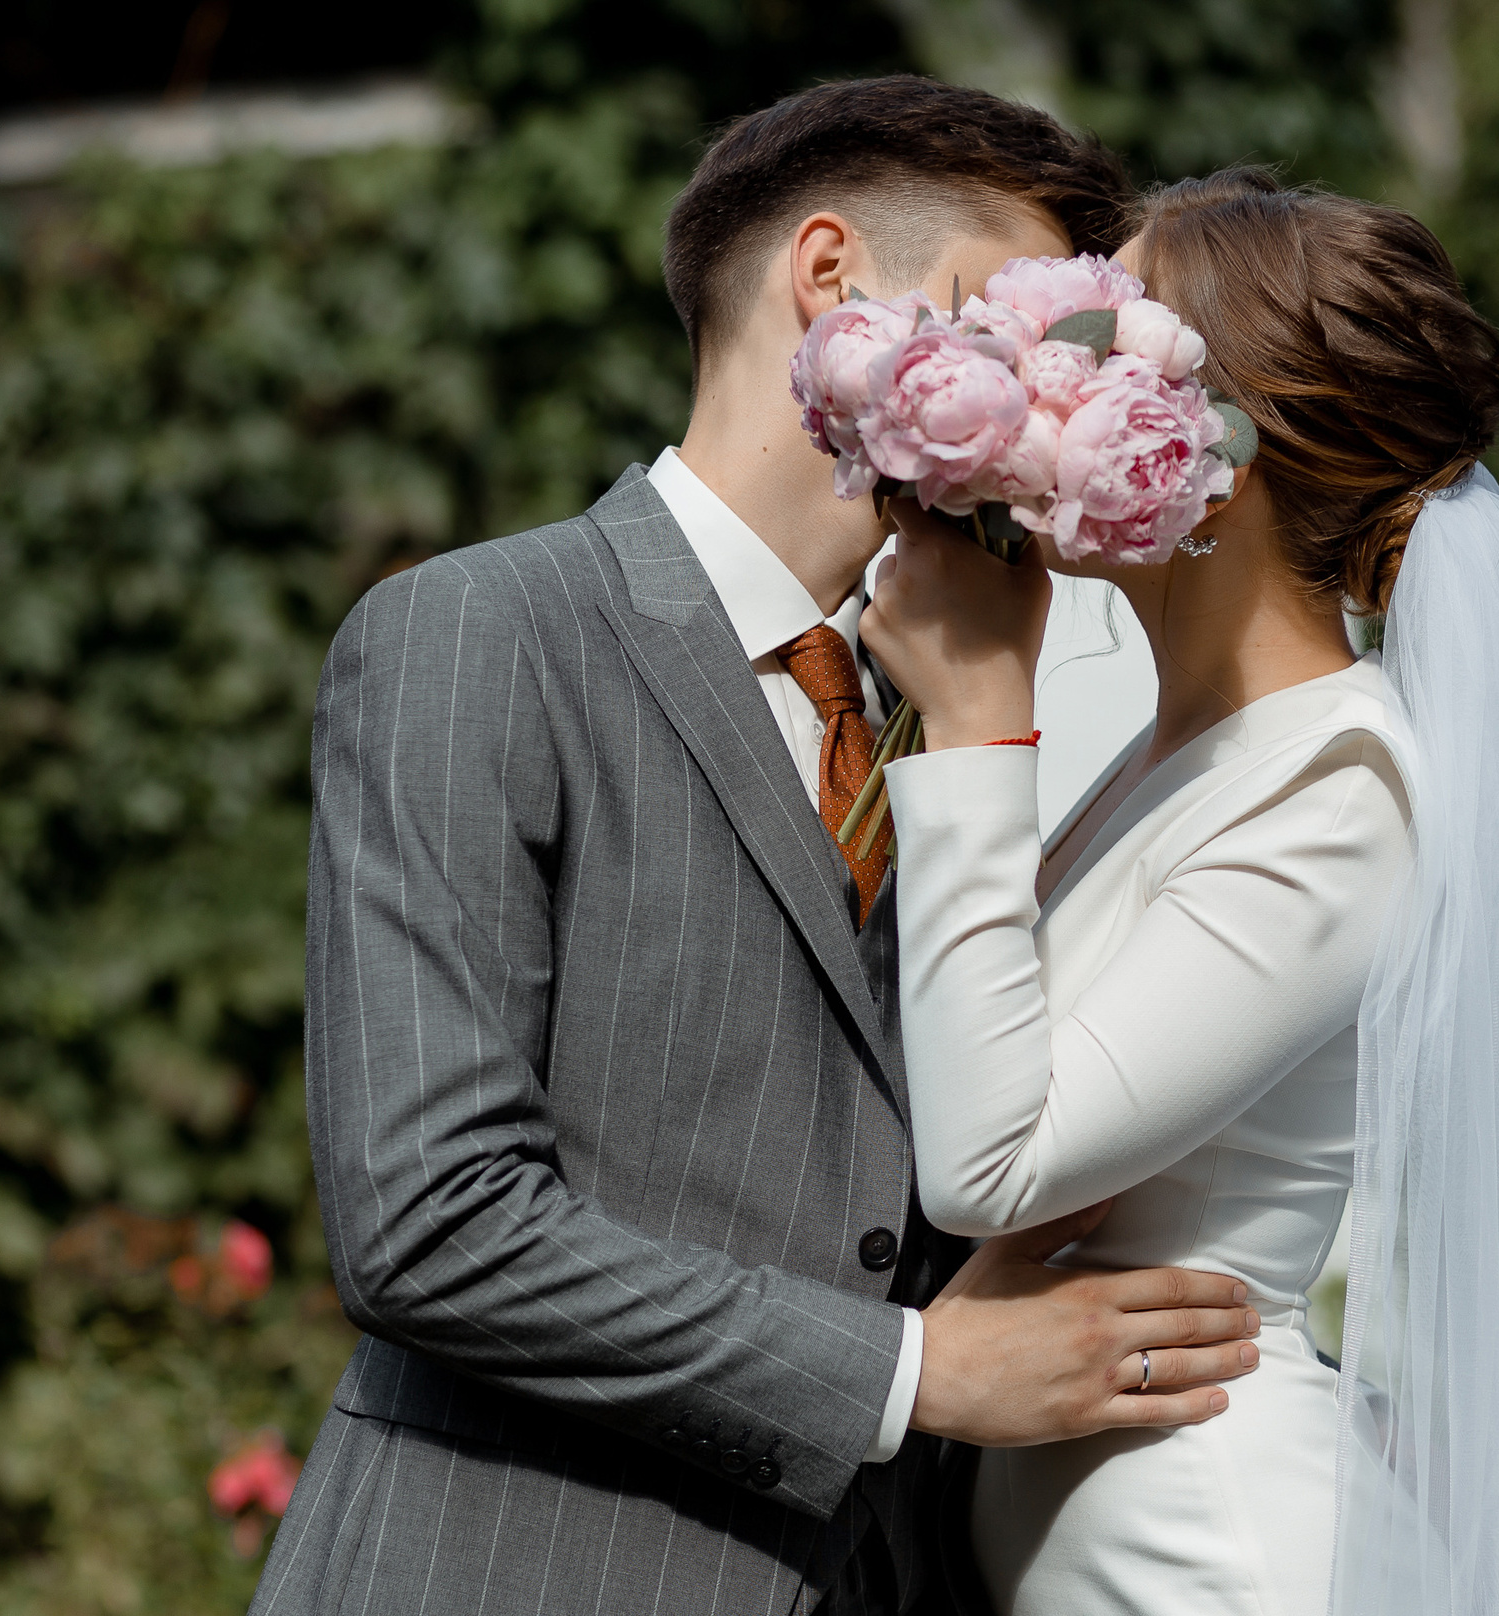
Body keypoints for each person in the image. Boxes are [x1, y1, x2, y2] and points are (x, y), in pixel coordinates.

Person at [251, 81, 1270, 1616]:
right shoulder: (478, 635)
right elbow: (430, 1222)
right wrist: (917, 1369)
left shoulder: (983, 698)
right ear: (834, 276)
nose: (1068, 391)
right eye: (1028, 325)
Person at [862, 165, 1499, 1614]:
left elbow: (995, 1160)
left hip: (1206, 1541)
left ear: (1213, 460)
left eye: (1099, 346)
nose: (1035, 383)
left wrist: (978, 731)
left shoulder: (1340, 790)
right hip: (1087, 1516)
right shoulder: (1187, 742)